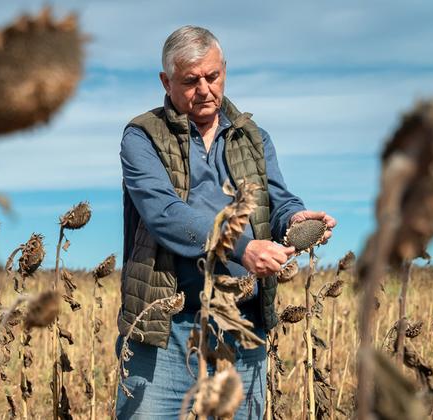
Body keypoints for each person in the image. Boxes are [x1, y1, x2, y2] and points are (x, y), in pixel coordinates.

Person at [114, 25, 336, 419]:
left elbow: (278, 201)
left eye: (212, 77)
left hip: (242, 324)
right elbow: (164, 213)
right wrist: (241, 247)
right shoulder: (142, 137)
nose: (204, 89)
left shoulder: (254, 137)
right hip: (167, 328)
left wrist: (296, 217)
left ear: (225, 72)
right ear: (166, 81)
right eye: (190, 80)